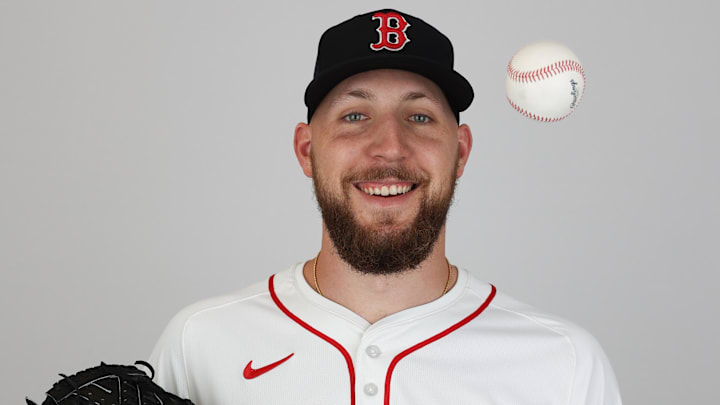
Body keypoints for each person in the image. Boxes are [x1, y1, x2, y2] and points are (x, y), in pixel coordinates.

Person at [149, 9, 622, 404]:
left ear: (460, 152)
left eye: (419, 117)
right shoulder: (200, 344)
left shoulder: (563, 366)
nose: (390, 147)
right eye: (355, 116)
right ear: (306, 150)